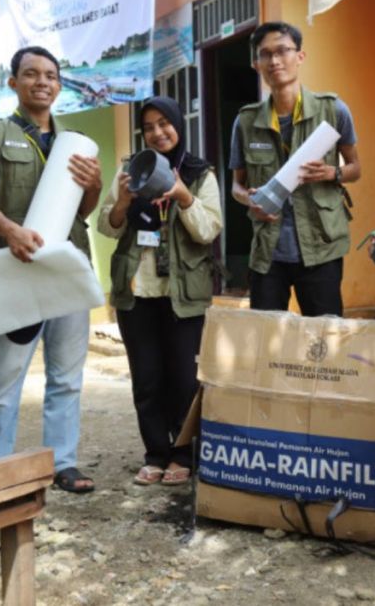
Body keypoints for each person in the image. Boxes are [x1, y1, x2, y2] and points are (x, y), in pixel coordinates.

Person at [0, 46, 102, 493]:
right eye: (31, 74)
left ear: (59, 85)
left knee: (67, 376)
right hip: (18, 269)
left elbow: (83, 210)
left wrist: (95, 185)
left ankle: (63, 462)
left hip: (66, 270)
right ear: (13, 82)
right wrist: (11, 231)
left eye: (50, 75)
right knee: (6, 376)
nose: (42, 82)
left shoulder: (74, 142)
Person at [97, 97, 222, 485]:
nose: (157, 132)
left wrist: (184, 196)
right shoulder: (130, 171)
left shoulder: (200, 173)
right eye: (149, 126)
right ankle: (155, 453)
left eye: (164, 123)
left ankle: (183, 454)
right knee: (147, 379)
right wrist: (122, 202)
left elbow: (208, 230)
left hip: (184, 293)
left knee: (184, 378)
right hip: (137, 290)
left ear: (178, 125)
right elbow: (107, 226)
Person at [229, 21, 360, 316]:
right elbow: (236, 185)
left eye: (282, 51)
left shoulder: (333, 110)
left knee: (324, 335)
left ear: (300, 56)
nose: (274, 61)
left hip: (321, 246)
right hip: (268, 251)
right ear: (256, 64)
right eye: (265, 54)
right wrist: (249, 199)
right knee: (267, 336)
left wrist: (332, 173)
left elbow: (355, 168)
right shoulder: (246, 122)